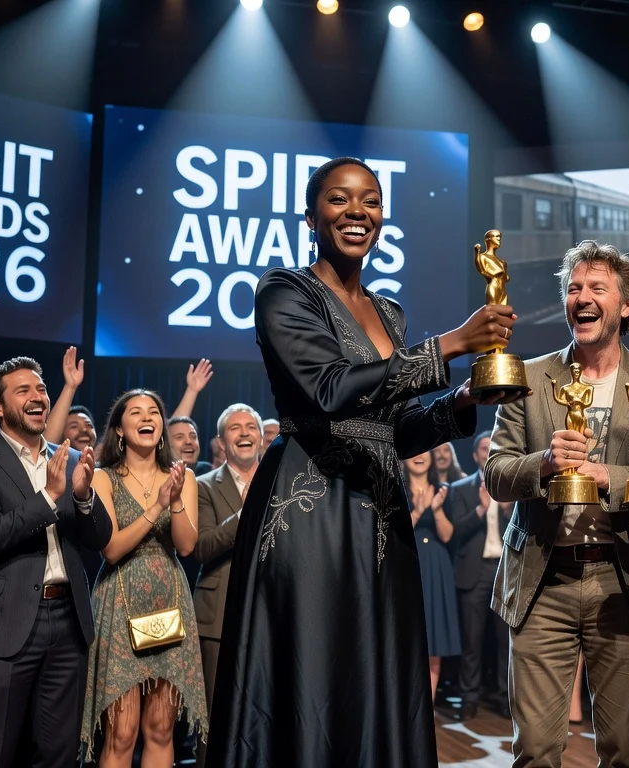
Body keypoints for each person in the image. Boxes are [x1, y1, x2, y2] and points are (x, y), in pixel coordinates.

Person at [204, 156, 518, 767]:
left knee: (378, 673)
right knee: (311, 670)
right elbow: (326, 390)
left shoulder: (391, 314)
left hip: (381, 513)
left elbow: (394, 431)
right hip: (309, 504)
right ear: (311, 215)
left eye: (370, 201)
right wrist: (451, 344)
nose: (357, 212)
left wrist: (462, 398)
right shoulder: (284, 291)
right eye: (340, 200)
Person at [485, 240, 629, 767]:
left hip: (624, 580)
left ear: (628, 304)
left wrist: (607, 475)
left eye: (597, 288)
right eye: (574, 288)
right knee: (535, 749)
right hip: (540, 581)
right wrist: (545, 463)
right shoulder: (526, 379)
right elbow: (497, 474)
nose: (582, 297)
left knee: (624, 749)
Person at [0, 357, 114, 768]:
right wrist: (49, 498)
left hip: (67, 623)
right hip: (3, 624)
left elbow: (100, 539)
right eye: (23, 391)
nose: (37, 396)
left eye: (40, 389)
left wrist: (81, 498)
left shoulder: (71, 459)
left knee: (58, 756)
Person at [80, 389, 205, 766]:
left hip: (169, 602)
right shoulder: (104, 479)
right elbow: (112, 548)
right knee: (122, 731)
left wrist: (177, 498)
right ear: (119, 429)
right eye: (135, 412)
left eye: (153, 412)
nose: (146, 417)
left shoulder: (184, 478)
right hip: (120, 602)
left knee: (161, 728)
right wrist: (157, 505)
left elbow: (185, 546)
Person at [193, 403, 262, 718]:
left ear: (261, 438)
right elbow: (203, 547)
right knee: (217, 714)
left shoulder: (284, 483)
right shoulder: (202, 486)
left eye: (251, 427)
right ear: (221, 442)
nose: (245, 433)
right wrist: (244, 512)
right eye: (235, 428)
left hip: (272, 614)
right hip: (219, 615)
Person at [447, 431, 513, 721]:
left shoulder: (512, 487)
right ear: (475, 455)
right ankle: (469, 698)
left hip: (505, 571)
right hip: (474, 570)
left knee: (505, 642)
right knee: (471, 642)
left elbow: (524, 530)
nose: (488, 453)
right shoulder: (460, 488)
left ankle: (502, 698)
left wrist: (509, 510)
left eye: (492, 448)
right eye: (483, 448)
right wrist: (480, 509)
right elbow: (453, 533)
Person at [404, 449, 459, 705]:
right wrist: (418, 510)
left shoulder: (443, 489)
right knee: (406, 635)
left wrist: (435, 509)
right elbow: (395, 533)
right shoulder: (396, 487)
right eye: (414, 450)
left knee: (433, 635)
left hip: (436, 565)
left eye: (425, 450)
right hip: (406, 563)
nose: (420, 455)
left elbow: (447, 535)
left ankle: (428, 705)